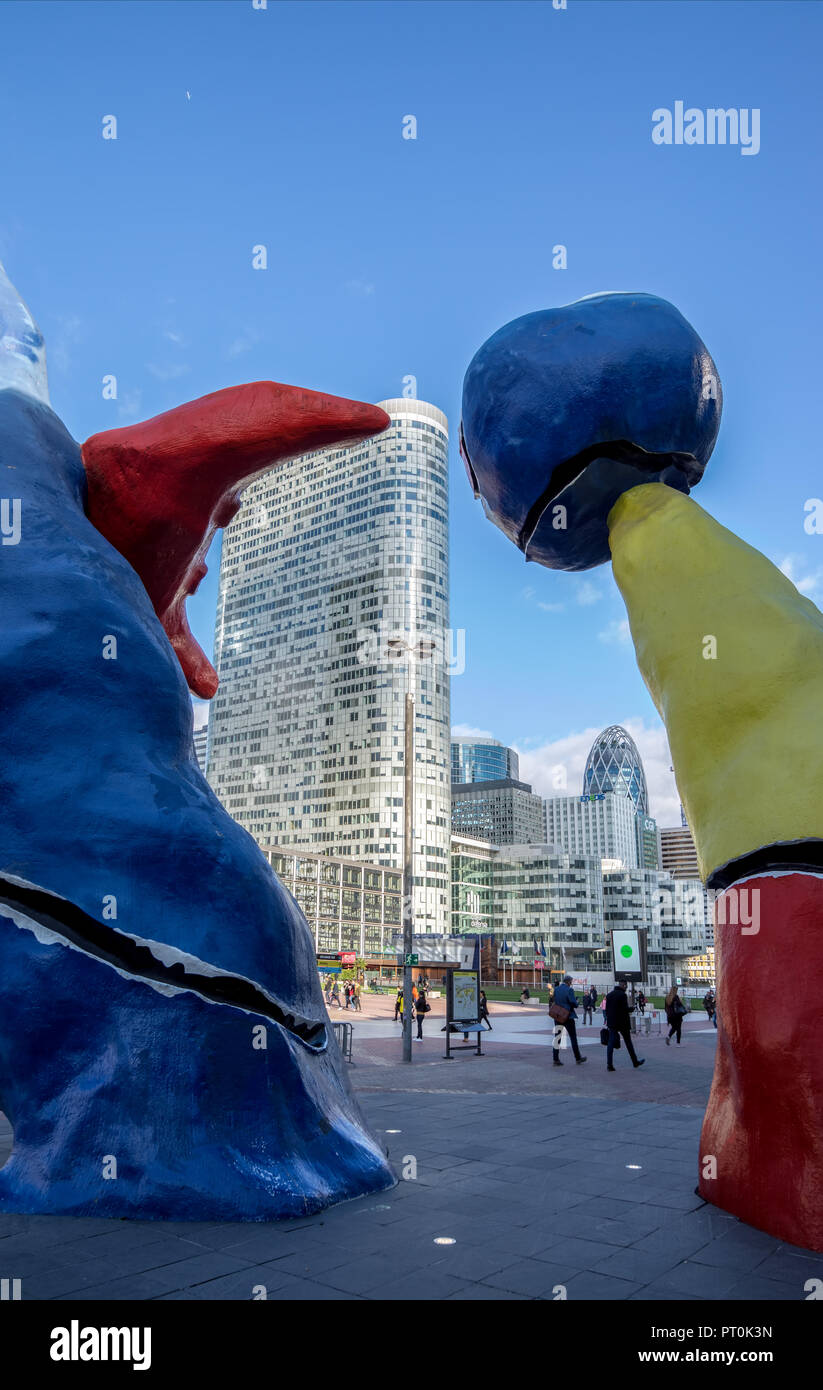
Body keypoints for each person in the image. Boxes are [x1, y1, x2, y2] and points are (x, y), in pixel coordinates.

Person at [604, 980, 646, 1071]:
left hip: (612, 1022)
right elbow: (624, 1009)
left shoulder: (609, 995)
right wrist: (631, 1009)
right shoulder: (622, 995)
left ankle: (609, 1065)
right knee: (628, 1042)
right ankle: (635, 1062)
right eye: (626, 986)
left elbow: (606, 1009)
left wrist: (608, 1020)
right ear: (623, 985)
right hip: (622, 1023)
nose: (626, 988)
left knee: (610, 1043)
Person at [551, 975, 587, 1067]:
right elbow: (573, 1003)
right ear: (568, 982)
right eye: (571, 982)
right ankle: (578, 1058)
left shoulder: (557, 989)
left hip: (558, 1015)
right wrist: (577, 1002)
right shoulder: (569, 990)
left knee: (557, 1038)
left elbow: (554, 1000)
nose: (571, 983)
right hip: (568, 1016)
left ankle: (555, 1059)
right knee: (573, 1038)